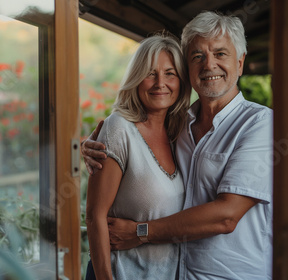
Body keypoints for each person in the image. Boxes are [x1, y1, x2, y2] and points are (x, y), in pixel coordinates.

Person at [82, 11, 273, 280]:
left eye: (220, 54)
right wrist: (93, 143)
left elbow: (226, 216)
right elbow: (130, 141)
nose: (209, 65)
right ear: (189, 69)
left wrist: (140, 232)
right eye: (198, 56)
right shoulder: (179, 126)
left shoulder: (260, 124)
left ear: (240, 63)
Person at [85, 34, 192, 280]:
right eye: (150, 73)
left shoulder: (181, 133)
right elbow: (94, 215)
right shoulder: (119, 128)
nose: (160, 83)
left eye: (170, 73)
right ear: (135, 78)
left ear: (181, 82)